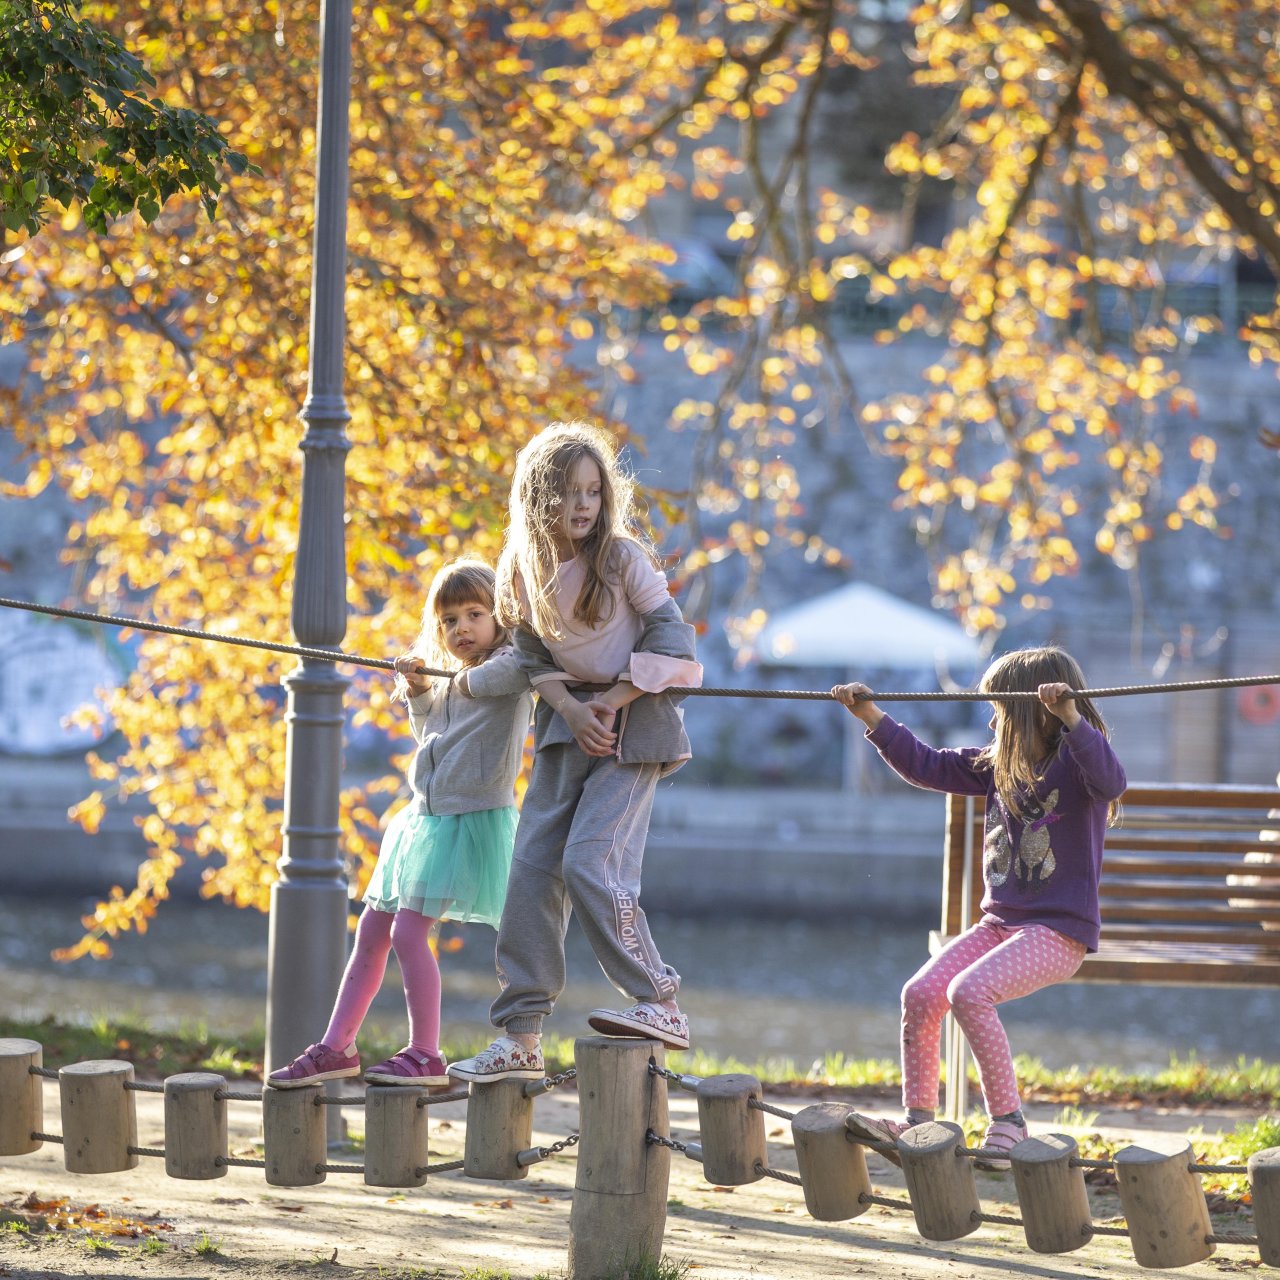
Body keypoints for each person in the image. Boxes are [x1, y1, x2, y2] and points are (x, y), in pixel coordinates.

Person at [449, 422, 702, 1083]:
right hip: (568, 726)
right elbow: (532, 652)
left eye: (593, 491)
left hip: (632, 722)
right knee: (531, 871)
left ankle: (660, 999)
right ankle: (521, 1035)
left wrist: (611, 702)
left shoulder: (621, 560)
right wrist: (568, 708)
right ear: (538, 499)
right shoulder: (520, 571)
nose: (583, 505)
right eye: (567, 493)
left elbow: (675, 638)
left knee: (590, 860)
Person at [831, 646, 1126, 1167]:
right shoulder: (996, 767)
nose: (992, 719)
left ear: (1033, 713)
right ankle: (919, 1123)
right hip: (1001, 924)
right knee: (921, 992)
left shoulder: (1079, 762)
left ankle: (1008, 1121)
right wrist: (871, 717)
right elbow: (925, 764)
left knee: (970, 992)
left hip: (1057, 932)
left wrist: (1073, 718)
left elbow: (1112, 782)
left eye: (1000, 709)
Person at [268, 559, 533, 1088]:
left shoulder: (512, 662)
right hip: (425, 819)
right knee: (373, 930)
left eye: (475, 615)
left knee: (411, 934)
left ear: (501, 616)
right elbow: (433, 734)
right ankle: (336, 1046)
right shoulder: (457, 676)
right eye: (450, 620)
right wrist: (418, 692)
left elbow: (501, 678)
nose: (461, 629)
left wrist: (454, 680)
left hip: (467, 820)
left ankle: (425, 1053)